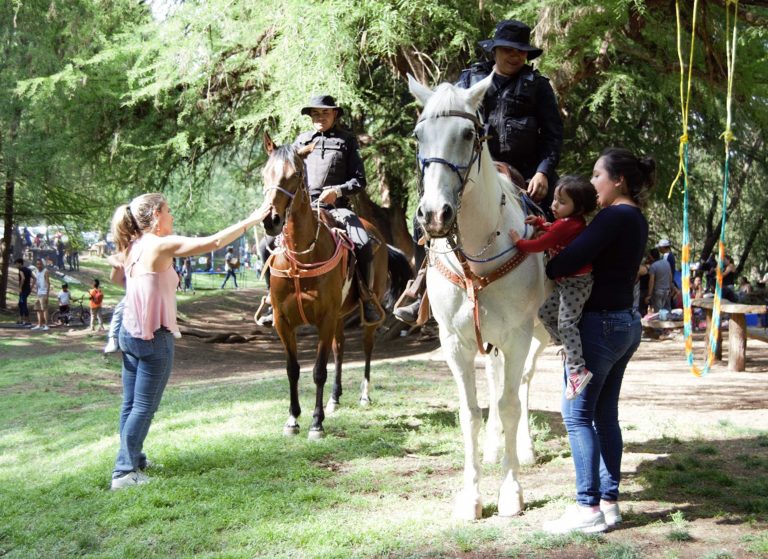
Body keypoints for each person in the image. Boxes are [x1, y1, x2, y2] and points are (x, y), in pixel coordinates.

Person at [395, 19, 563, 325]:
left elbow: (553, 136)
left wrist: (543, 173)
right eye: (509, 50)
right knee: (424, 216)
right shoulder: (469, 79)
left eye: (522, 52)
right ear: (495, 50)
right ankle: (420, 289)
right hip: (471, 169)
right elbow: (448, 124)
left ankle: (561, 291)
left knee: (557, 213)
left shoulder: (538, 87)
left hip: (524, 173)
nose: (516, 56)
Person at [108, 192, 264, 490]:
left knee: (130, 405)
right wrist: (253, 219)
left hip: (130, 333)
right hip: (154, 336)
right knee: (143, 406)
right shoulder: (160, 244)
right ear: (155, 215)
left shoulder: (133, 245)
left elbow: (118, 280)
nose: (172, 216)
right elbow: (215, 242)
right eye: (168, 211)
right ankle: (124, 473)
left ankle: (134, 460)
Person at [542, 147, 654, 534]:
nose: (591, 184)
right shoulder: (636, 218)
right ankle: (609, 503)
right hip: (625, 325)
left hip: (598, 328)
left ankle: (587, 509)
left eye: (596, 175)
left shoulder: (612, 216)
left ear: (618, 179)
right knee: (605, 415)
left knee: (576, 417)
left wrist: (550, 261)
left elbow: (567, 262)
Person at [258, 94, 382, 325]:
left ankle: (367, 298)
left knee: (363, 242)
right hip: (302, 208)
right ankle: (271, 298)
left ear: (335, 114)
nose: (320, 117)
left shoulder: (347, 141)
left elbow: (359, 180)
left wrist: (338, 190)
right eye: (315, 113)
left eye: (325, 112)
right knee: (264, 245)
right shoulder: (300, 142)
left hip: (336, 208)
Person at [508, 176, 598, 399]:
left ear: (579, 208)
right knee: (545, 313)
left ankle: (577, 370)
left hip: (576, 284)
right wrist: (540, 224)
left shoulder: (569, 225)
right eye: (555, 199)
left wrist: (519, 242)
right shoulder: (569, 224)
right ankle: (569, 348)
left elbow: (541, 244)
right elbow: (554, 230)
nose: (554, 205)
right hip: (565, 282)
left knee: (567, 324)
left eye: (562, 202)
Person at [645, 247, 673, 316]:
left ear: (651, 256)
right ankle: (669, 325)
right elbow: (670, 276)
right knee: (667, 310)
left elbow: (651, 281)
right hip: (667, 290)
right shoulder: (666, 263)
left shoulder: (653, 266)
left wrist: (649, 295)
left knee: (658, 312)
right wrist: (670, 288)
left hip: (658, 291)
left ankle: (659, 326)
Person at [30, 258, 50, 331]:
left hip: (44, 293)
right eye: (37, 264)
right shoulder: (37, 272)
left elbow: (48, 283)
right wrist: (36, 292)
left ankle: (46, 325)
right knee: (38, 309)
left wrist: (47, 295)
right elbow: (37, 283)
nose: (39, 265)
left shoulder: (46, 271)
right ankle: (39, 324)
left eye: (40, 264)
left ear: (43, 264)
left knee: (44, 309)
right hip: (38, 293)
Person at [15, 258, 32, 326]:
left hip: (23, 290)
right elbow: (35, 278)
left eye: (16, 264)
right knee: (20, 303)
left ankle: (28, 320)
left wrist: (20, 288)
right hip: (27, 289)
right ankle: (21, 320)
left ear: (20, 263)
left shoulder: (21, 270)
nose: (16, 265)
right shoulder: (28, 270)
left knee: (23, 304)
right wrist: (31, 287)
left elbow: (23, 278)